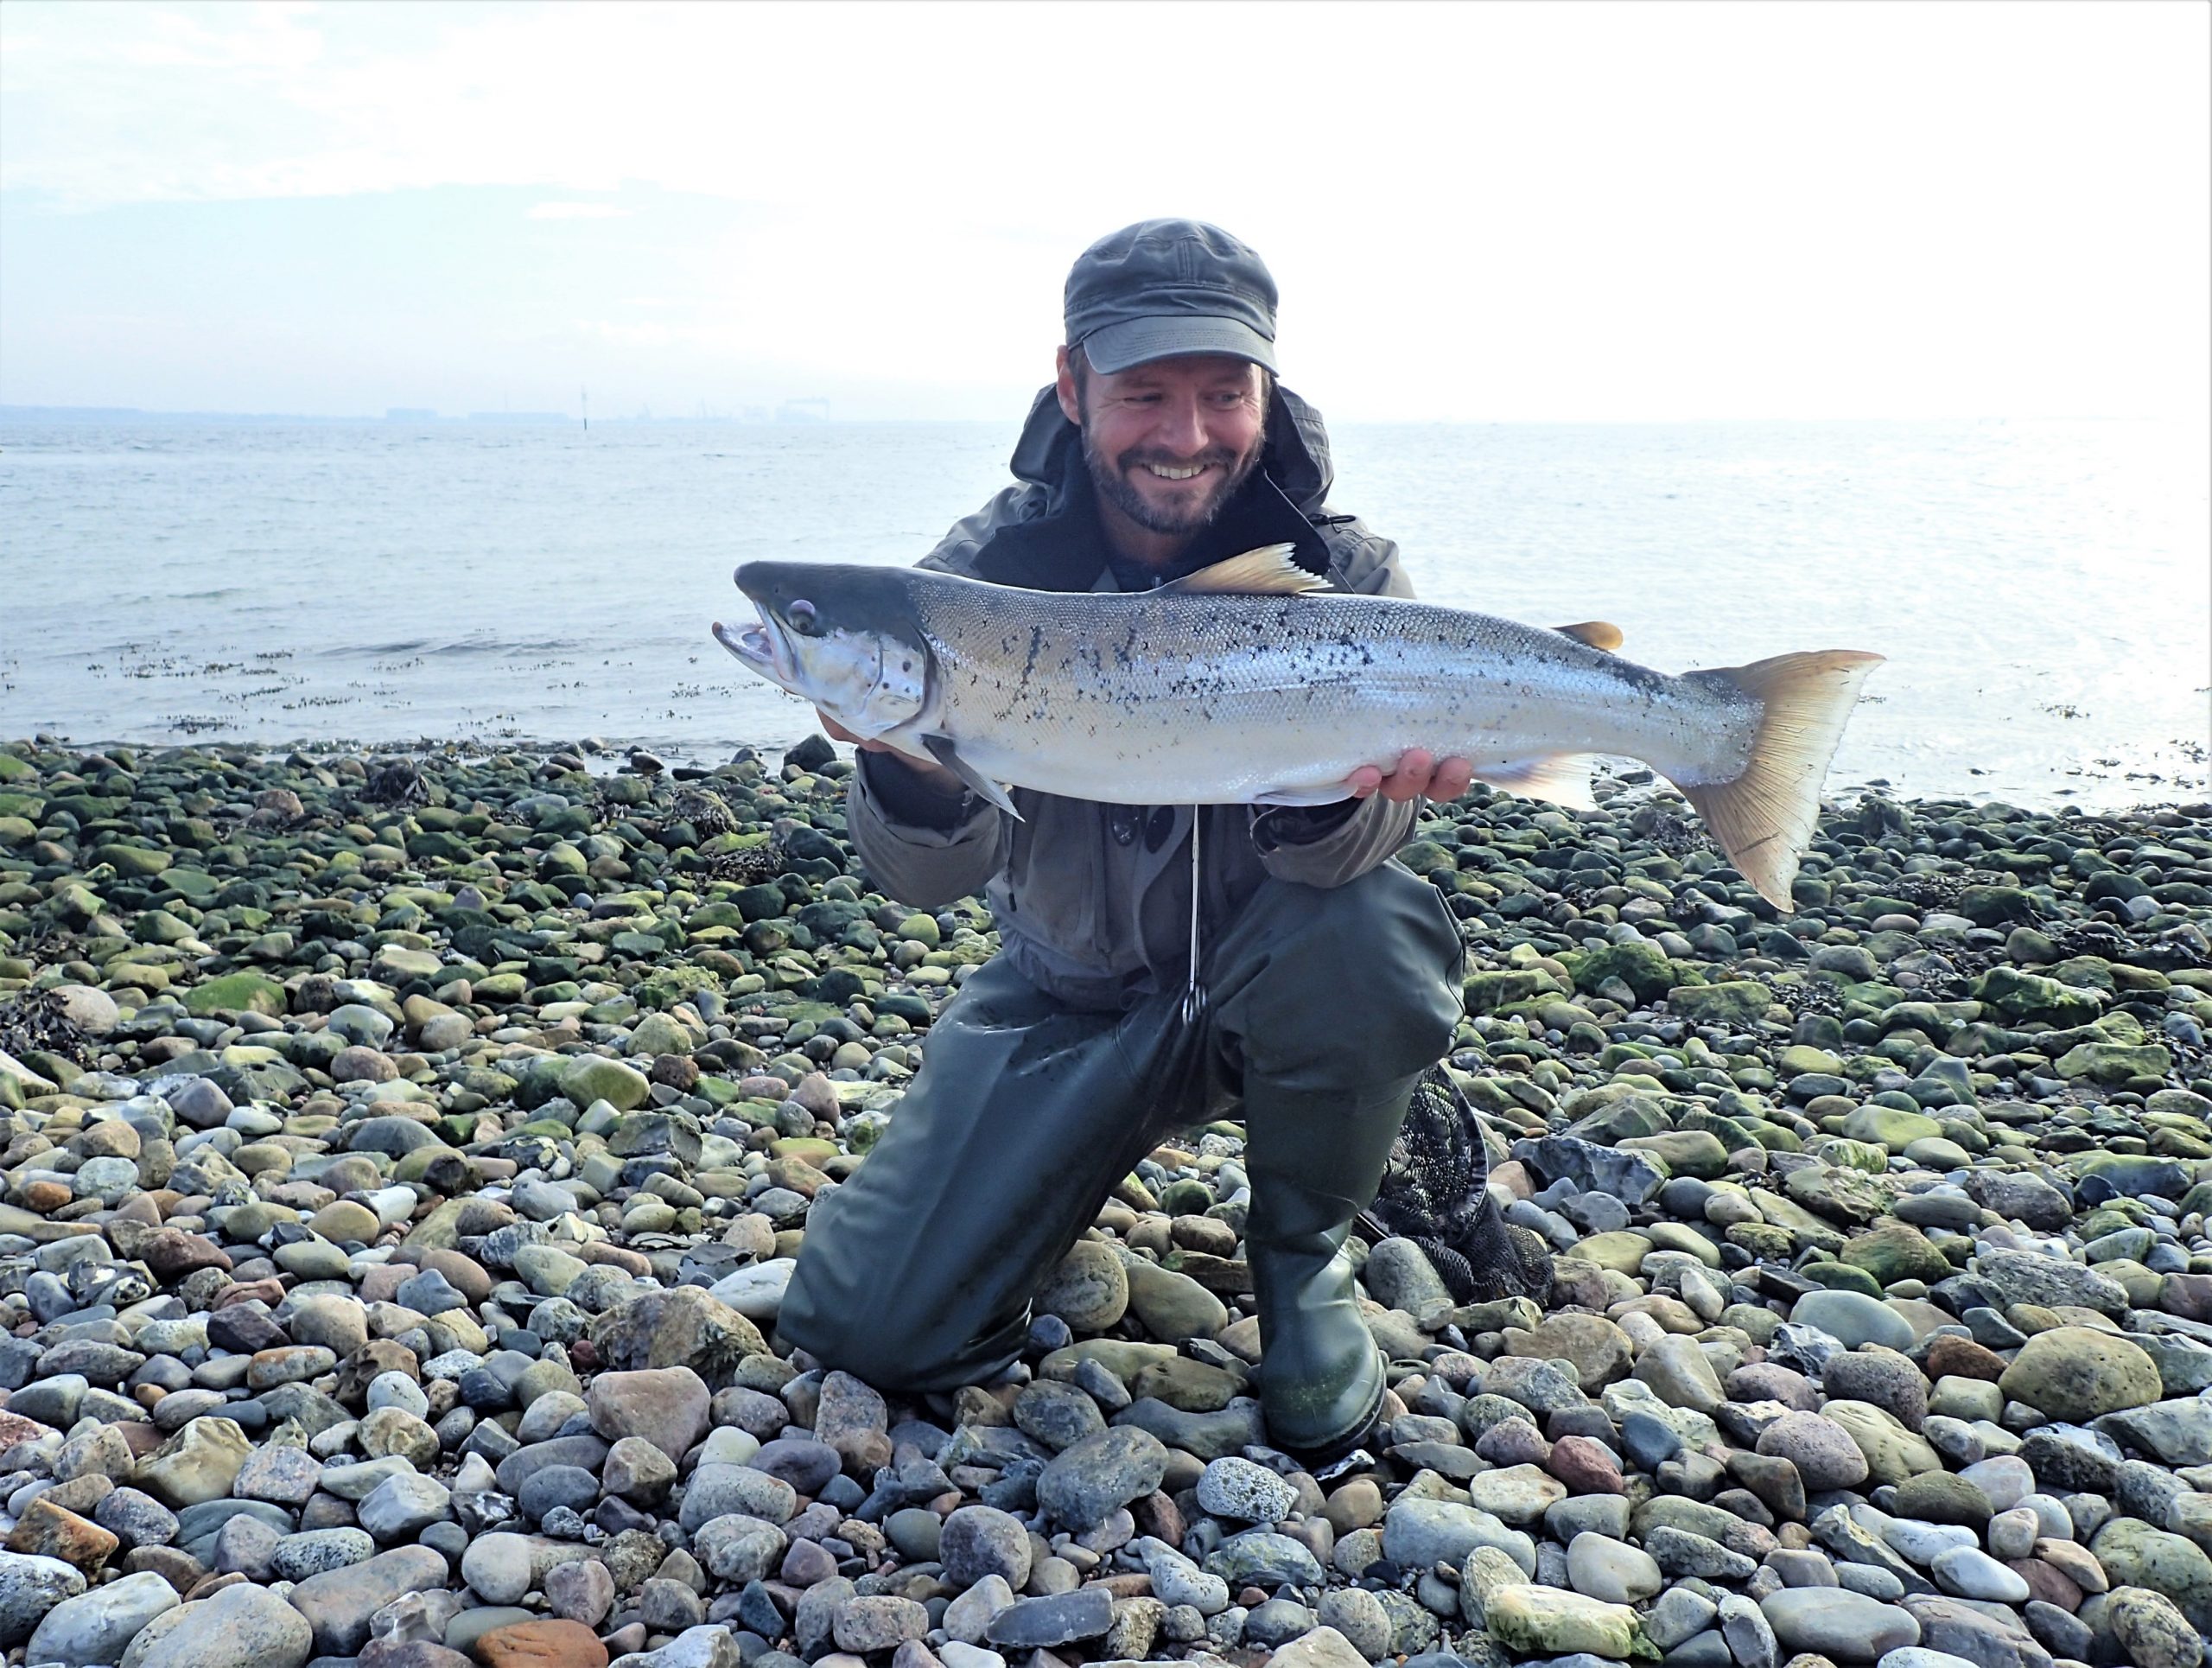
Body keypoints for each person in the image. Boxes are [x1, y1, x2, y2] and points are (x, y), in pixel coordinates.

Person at [775, 219, 1472, 1462]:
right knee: (864, 1326)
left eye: (1222, 393)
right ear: (1073, 386)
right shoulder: (973, 584)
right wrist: (904, 760)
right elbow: (928, 880)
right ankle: (1045, 1188)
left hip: (1281, 971)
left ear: (1267, 386)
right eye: (1146, 392)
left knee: (1376, 926)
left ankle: (1301, 1260)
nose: (1185, 432)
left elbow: (1346, 854)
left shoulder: (1347, 574)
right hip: (1070, 999)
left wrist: (1347, 793)